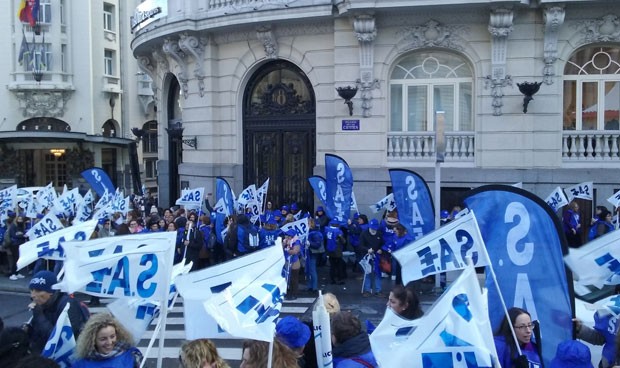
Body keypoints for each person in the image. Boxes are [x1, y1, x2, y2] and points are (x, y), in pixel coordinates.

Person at [23, 270, 87, 353]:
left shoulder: (68, 306)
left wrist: (39, 316)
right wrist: (28, 330)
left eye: (38, 291)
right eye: (31, 290)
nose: (33, 295)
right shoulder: (44, 304)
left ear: (51, 292)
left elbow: (60, 341)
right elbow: (39, 336)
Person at [73, 313, 142, 368]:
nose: (109, 342)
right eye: (103, 339)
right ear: (93, 340)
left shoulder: (132, 356)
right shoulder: (81, 363)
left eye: (112, 336)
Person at [359, 219, 384, 297]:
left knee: (378, 273)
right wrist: (367, 250)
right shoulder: (364, 234)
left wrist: (381, 249)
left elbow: (383, 244)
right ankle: (367, 290)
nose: (373, 230)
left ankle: (378, 290)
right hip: (367, 256)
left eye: (375, 229)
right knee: (367, 273)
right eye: (372, 228)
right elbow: (360, 246)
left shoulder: (379, 234)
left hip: (377, 256)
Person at [325, 220, 347, 285]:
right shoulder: (338, 231)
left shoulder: (327, 230)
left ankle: (332, 280)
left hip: (329, 250)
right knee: (339, 266)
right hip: (337, 251)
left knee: (332, 266)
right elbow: (343, 241)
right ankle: (339, 279)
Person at [306, 218, 324, 293]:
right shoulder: (312, 232)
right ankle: (310, 286)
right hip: (309, 252)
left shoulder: (315, 233)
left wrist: (309, 244)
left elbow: (317, 244)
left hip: (312, 253)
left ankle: (314, 287)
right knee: (308, 270)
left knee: (312, 270)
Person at [8, 215, 28, 280]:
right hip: (14, 245)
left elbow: (22, 234)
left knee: (19, 259)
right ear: (16, 219)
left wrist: (20, 234)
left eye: (21, 219)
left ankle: (17, 273)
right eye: (19, 219)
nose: (20, 220)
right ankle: (12, 274)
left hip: (20, 244)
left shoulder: (22, 226)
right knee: (15, 259)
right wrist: (22, 235)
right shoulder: (13, 226)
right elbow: (14, 235)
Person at [283, 230, 301, 300]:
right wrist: (284, 244)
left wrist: (286, 250)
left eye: (288, 235)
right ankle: (288, 293)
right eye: (286, 235)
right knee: (288, 279)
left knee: (294, 279)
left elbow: (295, 251)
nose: (287, 237)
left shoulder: (296, 242)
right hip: (287, 262)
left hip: (294, 263)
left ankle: (294, 294)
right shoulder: (285, 241)